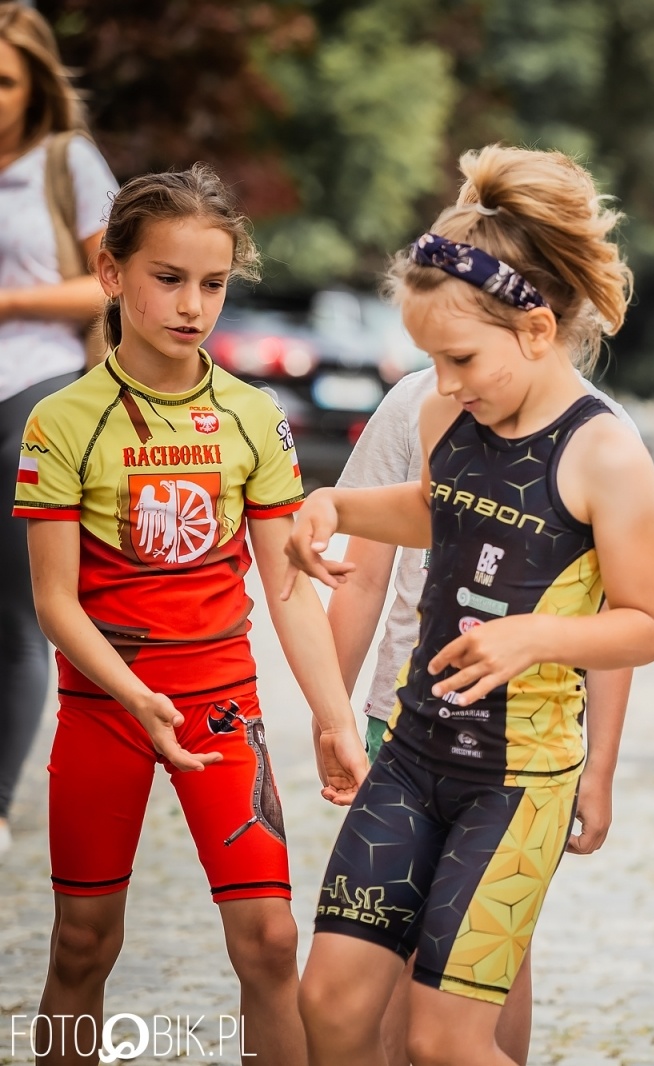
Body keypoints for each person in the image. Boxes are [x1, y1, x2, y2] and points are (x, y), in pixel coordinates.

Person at [287, 145, 654, 1066]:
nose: (445, 381)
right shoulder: (443, 413)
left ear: (536, 331)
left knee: (445, 1041)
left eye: (459, 357)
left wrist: (535, 637)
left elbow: (647, 624)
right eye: (431, 360)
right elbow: (432, 511)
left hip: (519, 781)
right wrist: (336, 504)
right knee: (330, 1002)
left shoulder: (606, 453)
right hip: (412, 754)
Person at [15, 164, 368, 1066]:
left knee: (271, 943)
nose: (193, 305)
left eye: (212, 284)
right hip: (106, 712)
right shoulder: (61, 422)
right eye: (168, 278)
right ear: (111, 271)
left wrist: (334, 720)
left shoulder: (255, 417)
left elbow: (288, 586)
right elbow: (54, 602)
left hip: (222, 711)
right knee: (83, 945)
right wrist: (135, 697)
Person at [323, 361, 641, 1066]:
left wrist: (601, 768)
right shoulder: (417, 402)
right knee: (371, 978)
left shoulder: (601, 434)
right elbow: (365, 573)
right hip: (400, 723)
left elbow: (623, 618)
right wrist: (331, 712)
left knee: (473, 976)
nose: (447, 365)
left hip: (517, 751)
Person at [0, 1, 119, 861]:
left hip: (31, 389)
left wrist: (6, 302)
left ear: (34, 84)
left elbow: (113, 283)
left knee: (14, 610)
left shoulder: (62, 162)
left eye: (2, 81)